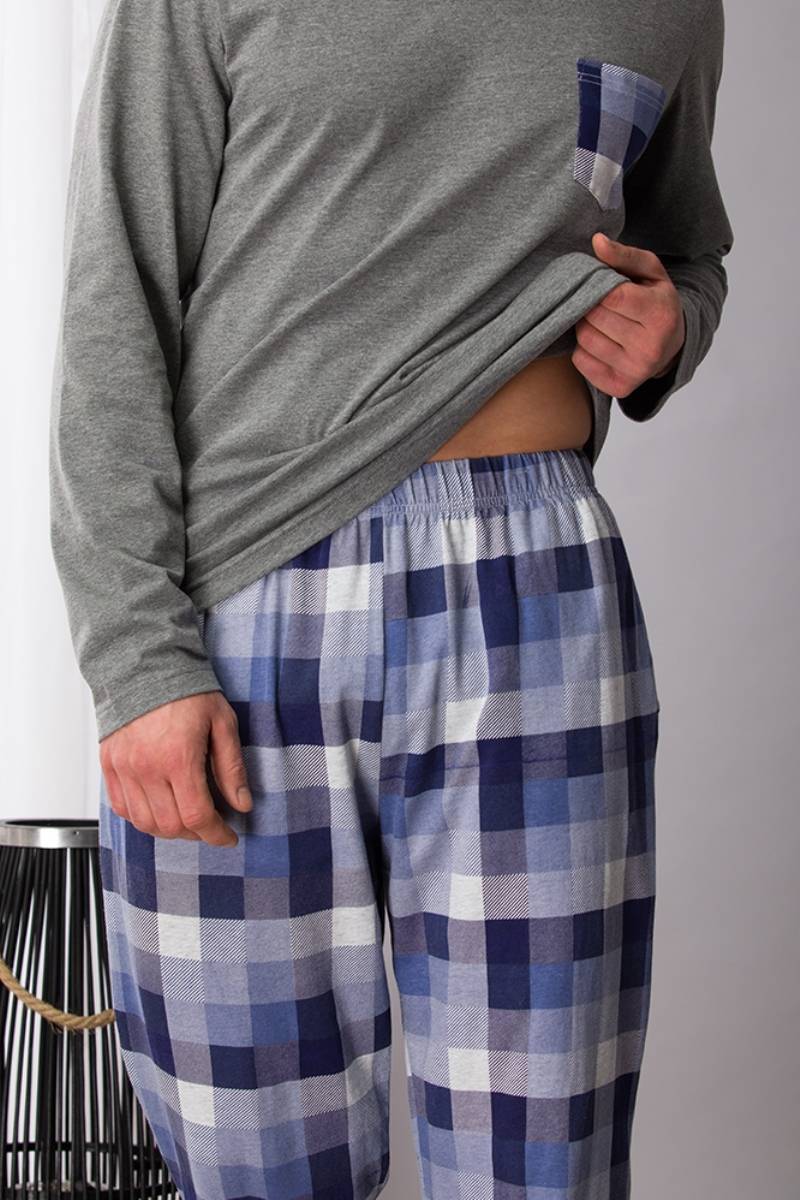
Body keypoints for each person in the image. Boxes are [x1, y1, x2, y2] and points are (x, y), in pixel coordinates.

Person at [49, 0, 733, 1197]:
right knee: (250, 1159)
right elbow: (119, 291)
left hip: (533, 591)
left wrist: (671, 327)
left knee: (541, 1156)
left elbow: (684, 248)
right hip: (245, 595)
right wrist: (135, 657)